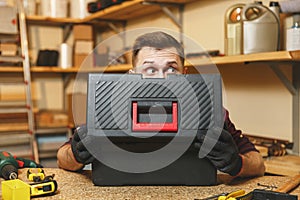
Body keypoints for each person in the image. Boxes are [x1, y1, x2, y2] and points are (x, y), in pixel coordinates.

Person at [57, 31, 265, 177]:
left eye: (171, 69)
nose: (161, 79)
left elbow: (258, 163)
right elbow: (62, 158)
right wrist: (75, 155)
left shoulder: (210, 111)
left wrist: (237, 163)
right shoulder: (107, 111)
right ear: (132, 75)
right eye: (149, 70)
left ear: (184, 73)